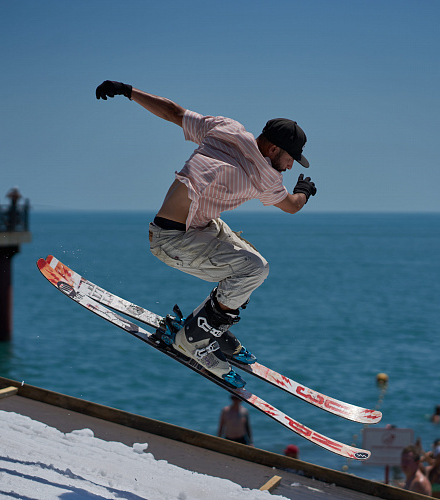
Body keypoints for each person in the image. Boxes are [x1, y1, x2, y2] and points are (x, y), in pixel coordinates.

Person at [96, 80, 316, 388]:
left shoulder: (227, 128)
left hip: (193, 227)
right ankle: (194, 340)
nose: (291, 166)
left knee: (249, 262)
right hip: (174, 241)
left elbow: (173, 112)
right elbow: (292, 206)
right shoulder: (266, 175)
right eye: (290, 158)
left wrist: (128, 91)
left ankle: (212, 325)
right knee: (254, 270)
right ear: (273, 149)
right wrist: (304, 192)